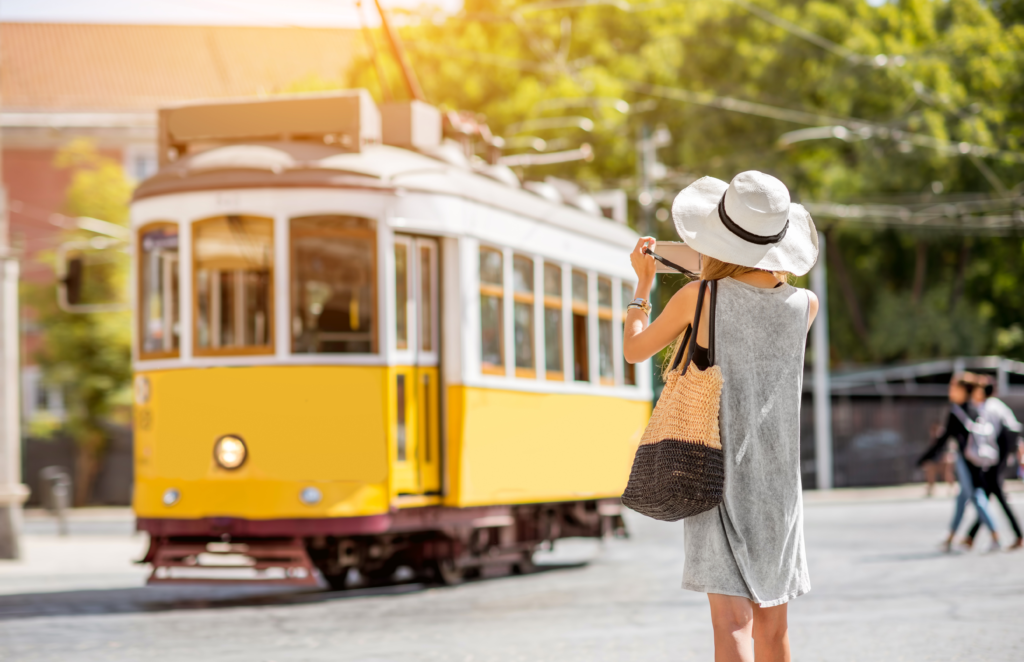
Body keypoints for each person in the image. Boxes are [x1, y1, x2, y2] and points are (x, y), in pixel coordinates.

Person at [623, 171, 820, 662]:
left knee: (731, 625)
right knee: (772, 627)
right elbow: (748, 278)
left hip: (714, 472)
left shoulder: (698, 298)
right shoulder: (805, 306)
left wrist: (642, 288)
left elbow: (634, 350)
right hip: (779, 487)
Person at [917, 374, 1001, 552]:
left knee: (976, 496)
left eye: (953, 387)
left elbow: (943, 439)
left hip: (965, 460)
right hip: (978, 459)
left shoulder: (956, 412)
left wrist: (924, 458)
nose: (950, 391)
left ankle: (995, 535)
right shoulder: (976, 409)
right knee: (962, 498)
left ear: (962, 390)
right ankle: (950, 538)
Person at [962, 377, 1023, 550]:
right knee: (989, 491)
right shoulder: (998, 405)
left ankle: (1017, 535)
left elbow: (988, 435)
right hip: (1002, 452)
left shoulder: (987, 408)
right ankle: (971, 536)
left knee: (994, 490)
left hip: (998, 453)